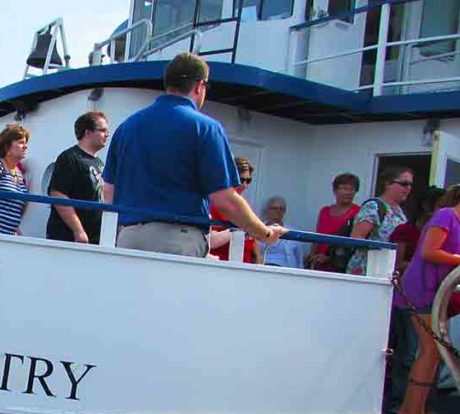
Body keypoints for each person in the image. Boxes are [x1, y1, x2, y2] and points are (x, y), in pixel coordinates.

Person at [101, 52, 284, 258]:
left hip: (129, 238)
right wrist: (265, 232)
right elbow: (225, 200)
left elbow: (109, 193)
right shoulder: (205, 128)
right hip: (179, 241)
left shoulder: (127, 127)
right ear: (199, 86)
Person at [393, 174, 460, 414]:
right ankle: (412, 413)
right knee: (429, 351)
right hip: (422, 289)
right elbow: (429, 252)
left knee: (432, 352)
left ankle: (410, 410)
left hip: (433, 292)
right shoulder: (446, 216)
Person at [385, 186, 445, 407]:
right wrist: (420, 266)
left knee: (435, 351)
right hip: (408, 295)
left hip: (437, 297)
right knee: (409, 350)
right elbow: (396, 263)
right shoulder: (406, 231)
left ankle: (425, 403)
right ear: (427, 206)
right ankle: (401, 399)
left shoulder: (443, 231)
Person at [46, 111, 108, 244]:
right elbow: (58, 194)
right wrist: (78, 230)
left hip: (95, 239)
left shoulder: (99, 164)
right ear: (88, 133)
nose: (107, 134)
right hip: (69, 238)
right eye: (102, 130)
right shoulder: (69, 158)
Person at [345, 166, 412, 276]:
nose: (408, 188)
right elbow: (356, 237)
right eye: (404, 183)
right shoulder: (373, 207)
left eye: (410, 184)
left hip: (386, 269)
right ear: (388, 184)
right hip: (366, 268)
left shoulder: (400, 212)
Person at [208, 157, 260, 263]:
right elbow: (210, 241)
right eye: (241, 180)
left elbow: (253, 245)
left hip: (244, 269)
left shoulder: (244, 206)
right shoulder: (214, 204)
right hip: (220, 267)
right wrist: (241, 228)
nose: (244, 185)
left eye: (248, 180)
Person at [308, 173, 361, 271]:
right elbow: (317, 236)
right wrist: (311, 257)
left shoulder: (358, 212)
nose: (348, 192)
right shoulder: (324, 211)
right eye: (344, 188)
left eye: (352, 189)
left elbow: (354, 244)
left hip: (341, 265)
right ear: (335, 190)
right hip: (318, 265)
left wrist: (329, 258)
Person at [255, 196, 306, 267]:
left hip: (287, 270)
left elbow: (299, 260)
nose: (278, 211)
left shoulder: (293, 232)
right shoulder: (257, 229)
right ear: (267, 210)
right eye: (274, 208)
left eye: (281, 209)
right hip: (263, 268)